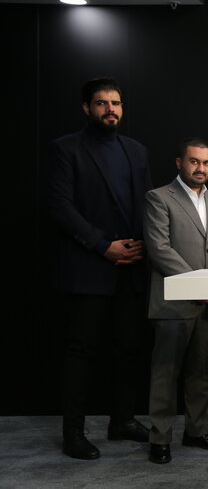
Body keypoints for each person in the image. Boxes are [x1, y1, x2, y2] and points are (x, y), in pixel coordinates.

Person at [46, 77, 153, 460]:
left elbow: (147, 203)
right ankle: (73, 433)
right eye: (102, 103)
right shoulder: (65, 149)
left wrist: (143, 243)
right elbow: (59, 206)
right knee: (81, 353)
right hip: (89, 266)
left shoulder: (136, 150)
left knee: (128, 349)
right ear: (86, 108)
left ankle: (122, 420)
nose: (111, 109)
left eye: (116, 103)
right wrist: (103, 246)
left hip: (132, 266)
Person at [143, 138, 208, 464]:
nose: (201, 168)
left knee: (203, 372)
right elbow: (159, 248)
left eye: (206, 163)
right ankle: (160, 437)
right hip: (174, 303)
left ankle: (197, 431)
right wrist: (197, 284)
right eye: (194, 161)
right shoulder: (158, 197)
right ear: (180, 162)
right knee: (165, 373)